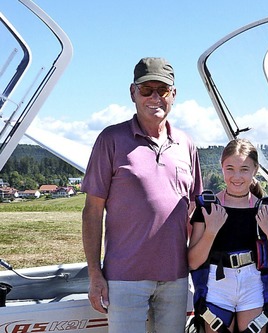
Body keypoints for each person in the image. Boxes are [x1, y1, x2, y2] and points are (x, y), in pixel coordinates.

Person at [81, 57, 203, 332]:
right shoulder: (110, 140)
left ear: (174, 94)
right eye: (146, 90)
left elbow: (194, 210)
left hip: (176, 277)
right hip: (124, 279)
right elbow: (92, 211)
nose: (155, 97)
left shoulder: (186, 144)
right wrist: (94, 275)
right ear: (132, 93)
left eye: (162, 90)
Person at [188, 138, 268, 333]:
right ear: (221, 167)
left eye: (244, 169)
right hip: (217, 285)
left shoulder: (265, 209)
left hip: (253, 285)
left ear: (255, 170)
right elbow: (193, 262)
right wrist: (211, 231)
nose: (237, 176)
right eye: (230, 168)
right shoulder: (207, 208)